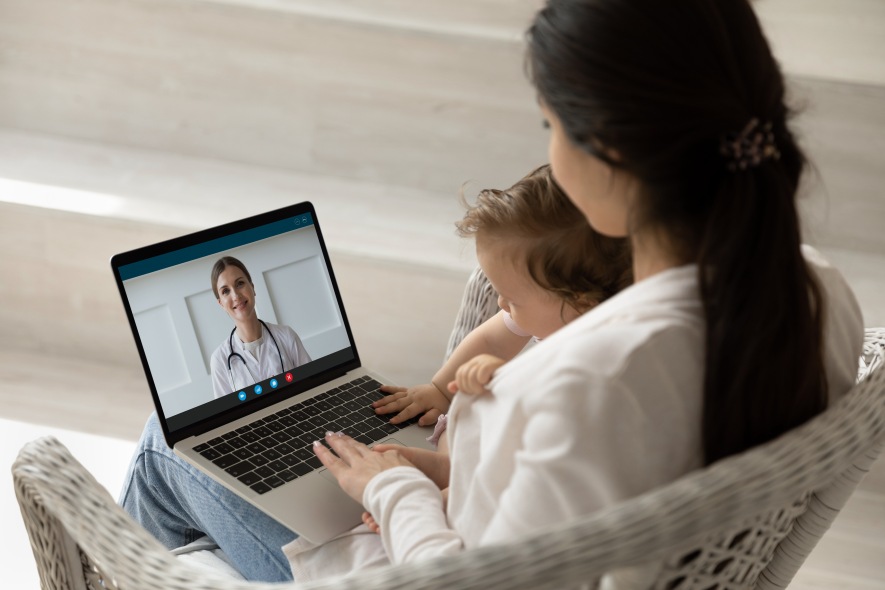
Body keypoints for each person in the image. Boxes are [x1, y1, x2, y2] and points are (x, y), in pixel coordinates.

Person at [120, 1, 864, 586]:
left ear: (606, 146)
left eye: (550, 124)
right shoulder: (812, 292)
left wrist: (391, 491)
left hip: (404, 562)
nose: (547, 148)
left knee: (166, 443)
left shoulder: (595, 378)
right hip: (465, 527)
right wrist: (422, 469)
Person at [373, 164, 631, 430]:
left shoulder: (603, 362)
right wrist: (441, 390)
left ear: (582, 303)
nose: (501, 304)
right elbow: (491, 342)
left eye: (512, 300)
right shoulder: (558, 304)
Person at [208, 256, 311, 398]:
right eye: (226, 291)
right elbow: (227, 417)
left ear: (253, 288)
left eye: (240, 284)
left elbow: (313, 386)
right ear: (221, 304)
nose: (236, 295)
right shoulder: (219, 360)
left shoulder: (286, 335)